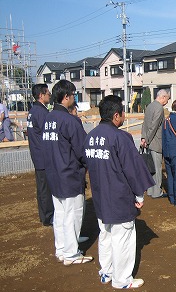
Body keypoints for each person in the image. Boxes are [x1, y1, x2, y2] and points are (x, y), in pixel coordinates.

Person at [84, 95, 154, 289]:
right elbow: (132, 169)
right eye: (123, 113)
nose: (124, 116)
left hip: (100, 195)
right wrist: (139, 195)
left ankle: (106, 271)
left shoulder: (90, 137)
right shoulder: (120, 137)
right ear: (116, 116)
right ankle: (122, 279)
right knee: (123, 238)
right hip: (119, 196)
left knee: (105, 234)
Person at [42, 79, 93, 265]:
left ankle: (62, 248)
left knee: (61, 214)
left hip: (54, 173)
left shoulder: (49, 118)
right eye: (73, 95)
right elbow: (82, 150)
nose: (74, 98)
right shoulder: (69, 121)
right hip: (69, 174)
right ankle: (71, 253)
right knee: (73, 214)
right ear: (66, 97)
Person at [27, 84, 54, 226]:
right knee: (46, 189)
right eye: (47, 93)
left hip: (37, 155)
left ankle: (44, 215)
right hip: (43, 157)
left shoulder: (33, 110)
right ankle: (48, 217)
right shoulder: (41, 113)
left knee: (42, 188)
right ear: (41, 95)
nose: (49, 95)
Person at [140, 89, 170, 198]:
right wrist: (147, 139)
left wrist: (143, 138)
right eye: (167, 99)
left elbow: (145, 123)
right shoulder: (159, 108)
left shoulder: (150, 106)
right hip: (155, 142)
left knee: (150, 168)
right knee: (157, 169)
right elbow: (154, 126)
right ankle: (157, 192)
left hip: (148, 142)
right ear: (163, 97)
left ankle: (150, 190)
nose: (167, 102)